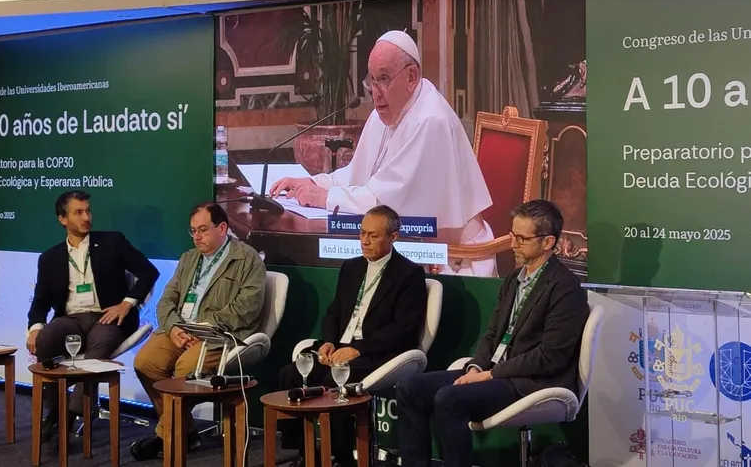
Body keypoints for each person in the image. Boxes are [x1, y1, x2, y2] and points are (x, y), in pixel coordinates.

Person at [270, 30, 495, 277]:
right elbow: (357, 175)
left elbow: (383, 204)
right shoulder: (386, 112)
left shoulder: (430, 121)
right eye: (372, 81)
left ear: (411, 76)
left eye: (384, 79)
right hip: (412, 247)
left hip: (451, 259)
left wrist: (324, 197)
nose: (376, 93)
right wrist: (313, 183)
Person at [395, 200, 590, 467]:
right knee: (410, 388)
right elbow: (492, 334)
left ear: (548, 242)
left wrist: (490, 374)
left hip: (529, 382)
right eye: (512, 235)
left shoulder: (566, 288)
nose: (513, 244)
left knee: (449, 399)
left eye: (522, 239)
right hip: (494, 372)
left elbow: (550, 357)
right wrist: (476, 367)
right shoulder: (513, 280)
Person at [278, 205, 428, 467]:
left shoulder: (409, 274)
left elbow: (402, 330)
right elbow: (334, 312)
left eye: (373, 235)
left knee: (334, 380)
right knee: (290, 374)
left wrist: (358, 349)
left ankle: (343, 457)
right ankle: (303, 453)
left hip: (375, 352)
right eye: (362, 233)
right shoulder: (351, 267)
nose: (365, 241)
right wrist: (328, 342)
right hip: (339, 347)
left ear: (393, 237)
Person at [130, 202, 267, 461]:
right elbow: (166, 300)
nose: (196, 236)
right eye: (192, 231)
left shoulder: (246, 259)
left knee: (186, 370)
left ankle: (164, 436)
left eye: (203, 230)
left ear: (222, 228)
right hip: (181, 329)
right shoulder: (188, 258)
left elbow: (246, 308)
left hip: (220, 335)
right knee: (145, 362)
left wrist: (202, 327)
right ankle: (186, 432)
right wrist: (172, 327)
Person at [27, 190, 160, 442]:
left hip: (108, 316)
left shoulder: (112, 242)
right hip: (71, 319)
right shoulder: (50, 258)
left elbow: (148, 272)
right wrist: (35, 327)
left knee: (100, 340)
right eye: (78, 212)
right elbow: (41, 300)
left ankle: (71, 414)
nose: (86, 217)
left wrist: (126, 303)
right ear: (63, 219)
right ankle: (55, 410)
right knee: (47, 338)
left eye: (88, 211)